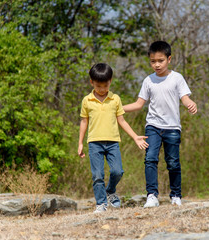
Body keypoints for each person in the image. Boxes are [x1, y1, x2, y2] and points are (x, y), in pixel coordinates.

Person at [123, 41, 197, 208]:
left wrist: (190, 103)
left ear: (169, 59)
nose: (156, 64)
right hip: (153, 126)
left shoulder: (177, 78)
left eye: (160, 60)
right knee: (150, 159)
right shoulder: (148, 81)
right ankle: (152, 195)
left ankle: (176, 195)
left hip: (172, 128)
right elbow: (138, 104)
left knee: (173, 162)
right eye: (153, 61)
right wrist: (118, 108)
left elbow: (184, 97)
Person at [78, 63, 149, 213]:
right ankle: (101, 203)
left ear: (110, 81)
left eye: (106, 85)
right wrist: (80, 143)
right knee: (97, 175)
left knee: (118, 171)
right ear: (91, 82)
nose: (102, 89)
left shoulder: (115, 99)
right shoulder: (87, 100)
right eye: (98, 86)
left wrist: (135, 137)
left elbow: (121, 120)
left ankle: (110, 190)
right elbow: (84, 121)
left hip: (112, 143)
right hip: (94, 143)